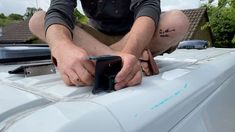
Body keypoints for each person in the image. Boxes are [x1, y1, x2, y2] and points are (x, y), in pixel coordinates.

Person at [29, 0, 189, 90]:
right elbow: (58, 10)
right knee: (38, 19)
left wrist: (130, 51)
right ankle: (115, 55)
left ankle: (107, 56)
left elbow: (148, 6)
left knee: (177, 22)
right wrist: (61, 46)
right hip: (94, 38)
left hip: (135, 34)